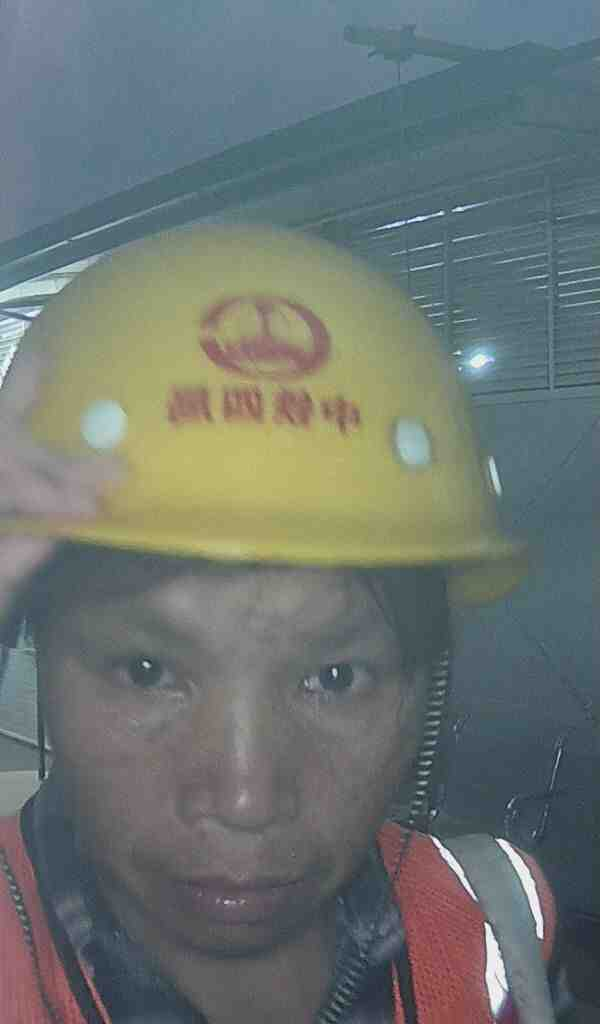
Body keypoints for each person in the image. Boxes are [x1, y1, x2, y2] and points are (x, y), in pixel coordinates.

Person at [0, 226, 563, 1023]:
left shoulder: (497, 923)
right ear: (33, 645)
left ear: (426, 683)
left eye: (335, 678)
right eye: (147, 671)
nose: (245, 797)